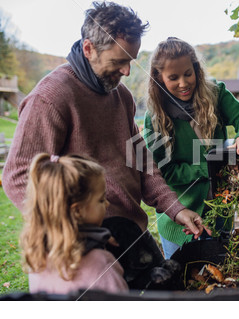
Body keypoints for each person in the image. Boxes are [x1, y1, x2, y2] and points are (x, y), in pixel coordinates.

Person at [2, 2, 207, 289]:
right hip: (84, 245)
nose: (126, 71)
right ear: (88, 49)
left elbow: (141, 160)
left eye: (131, 61)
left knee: (170, 293)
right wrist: (74, 232)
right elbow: (18, 175)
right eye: (118, 62)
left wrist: (174, 207)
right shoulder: (51, 98)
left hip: (130, 231)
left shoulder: (121, 97)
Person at [144, 37, 239, 258]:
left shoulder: (215, 93)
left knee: (219, 277)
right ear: (159, 78)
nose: (183, 83)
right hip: (179, 220)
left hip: (220, 212)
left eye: (188, 73)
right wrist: (209, 167)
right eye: (173, 77)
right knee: (184, 283)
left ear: (196, 69)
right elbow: (164, 171)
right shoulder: (155, 118)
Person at [21, 153, 128, 294]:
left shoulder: (37, 260)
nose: (107, 204)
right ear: (77, 210)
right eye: (101, 200)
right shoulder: (101, 263)